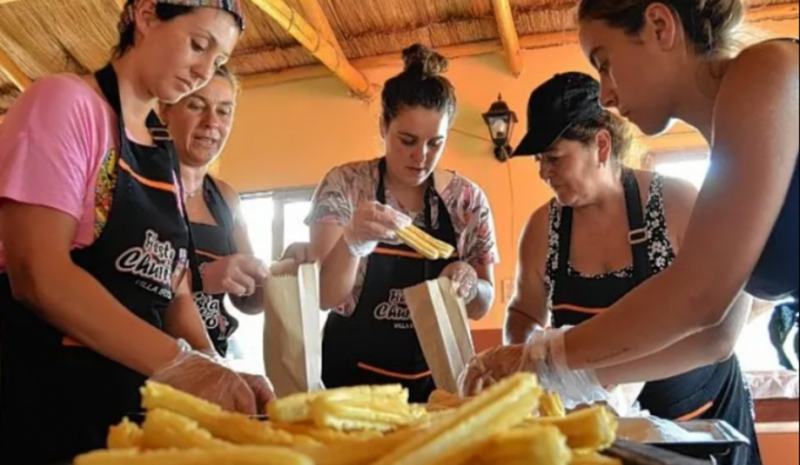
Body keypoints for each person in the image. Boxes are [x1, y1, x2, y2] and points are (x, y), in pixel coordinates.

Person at [0, 1, 273, 463]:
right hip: (48, 405)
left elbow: (175, 294)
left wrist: (219, 369)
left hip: (131, 421)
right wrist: (179, 363)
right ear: (146, 16)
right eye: (198, 44)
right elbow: (37, 272)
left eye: (219, 60)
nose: (205, 70)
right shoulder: (67, 104)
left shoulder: (161, 158)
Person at [501, 72, 761, 465]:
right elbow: (522, 312)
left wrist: (588, 371)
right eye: (540, 160)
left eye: (553, 158)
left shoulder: (676, 203)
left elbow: (717, 330)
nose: (543, 172)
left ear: (601, 146)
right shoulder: (543, 229)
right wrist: (529, 364)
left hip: (700, 423)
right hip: (601, 437)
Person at [306, 44, 500, 403]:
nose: (420, 157)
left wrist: (471, 285)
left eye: (435, 143)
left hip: (436, 390)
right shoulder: (345, 185)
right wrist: (352, 241)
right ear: (383, 126)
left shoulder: (466, 202)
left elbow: (483, 304)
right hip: (347, 389)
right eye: (407, 140)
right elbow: (323, 296)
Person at [160, 65, 269, 357]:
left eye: (224, 111)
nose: (211, 123)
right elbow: (124, 285)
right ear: (165, 111)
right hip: (154, 360)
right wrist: (204, 274)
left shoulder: (226, 198)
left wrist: (282, 273)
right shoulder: (147, 185)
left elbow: (250, 302)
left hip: (212, 357)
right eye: (196, 106)